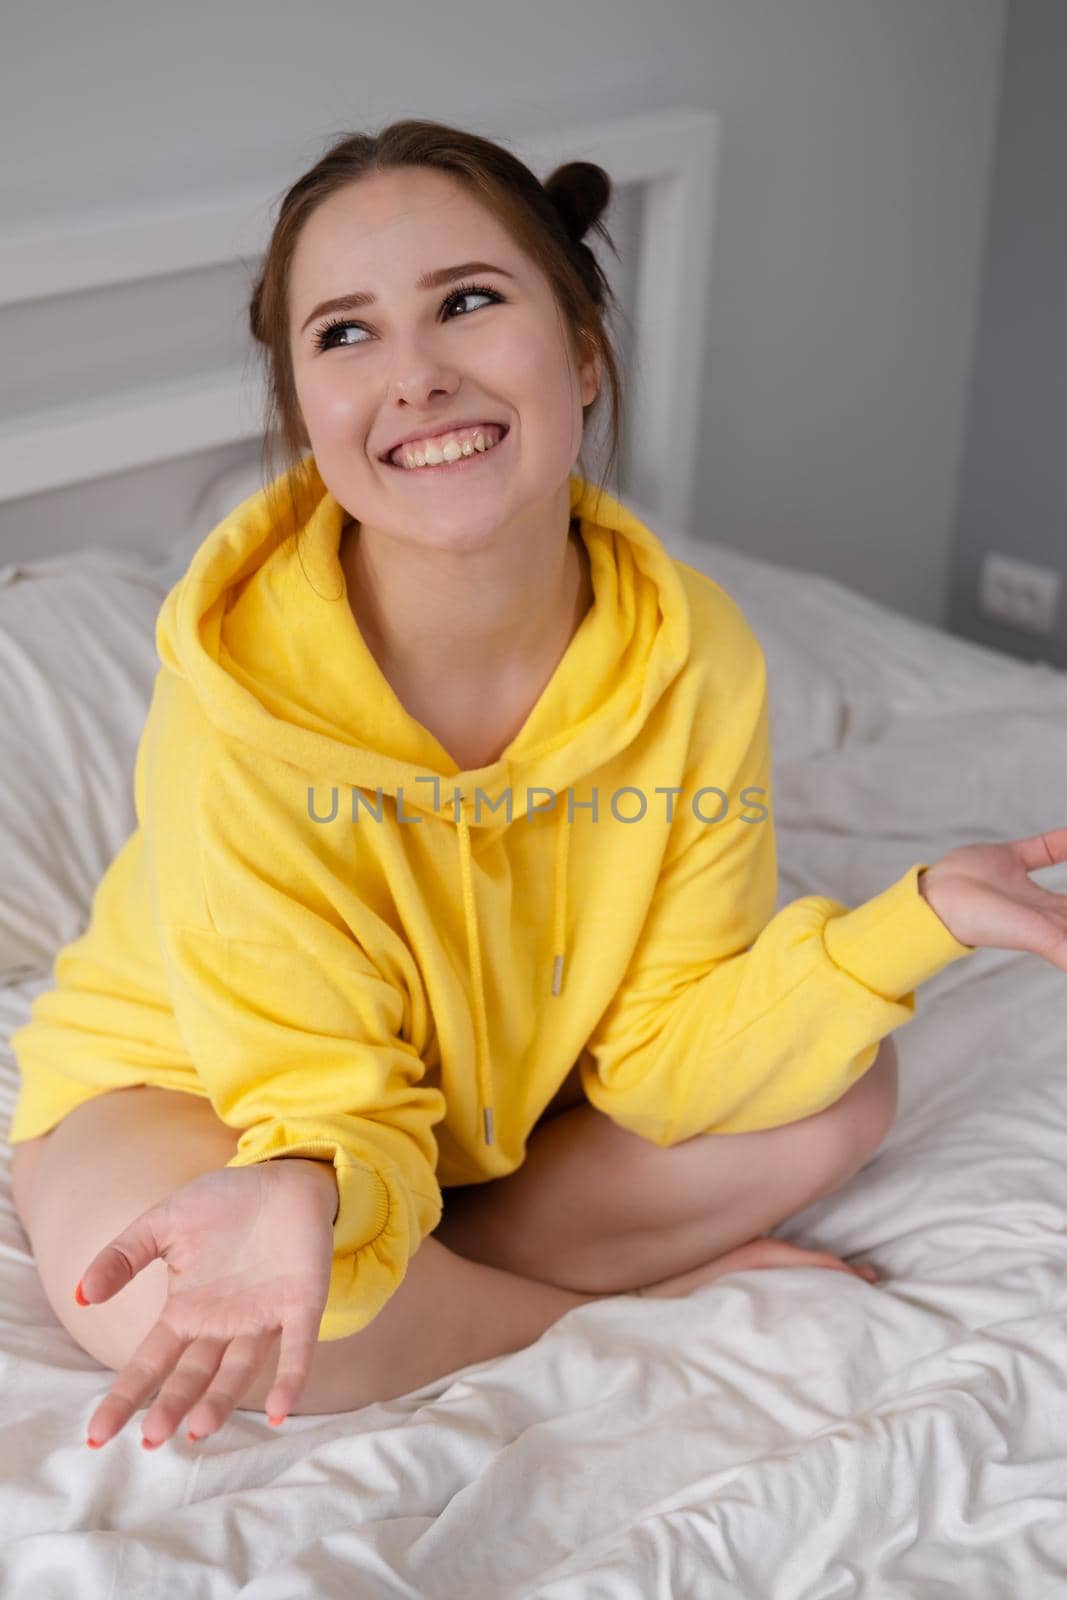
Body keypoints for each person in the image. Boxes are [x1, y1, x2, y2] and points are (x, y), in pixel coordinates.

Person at [9, 120, 1067, 1456]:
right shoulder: (238, 700)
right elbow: (312, 1079)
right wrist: (299, 1184)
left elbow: (670, 1047)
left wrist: (915, 916)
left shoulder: (695, 659)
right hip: (221, 1105)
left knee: (848, 1087)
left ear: (578, 350)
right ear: (305, 415)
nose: (417, 377)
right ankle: (579, 1305)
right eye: (345, 335)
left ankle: (443, 1265)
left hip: (495, 1124)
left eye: (466, 302)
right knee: (187, 1292)